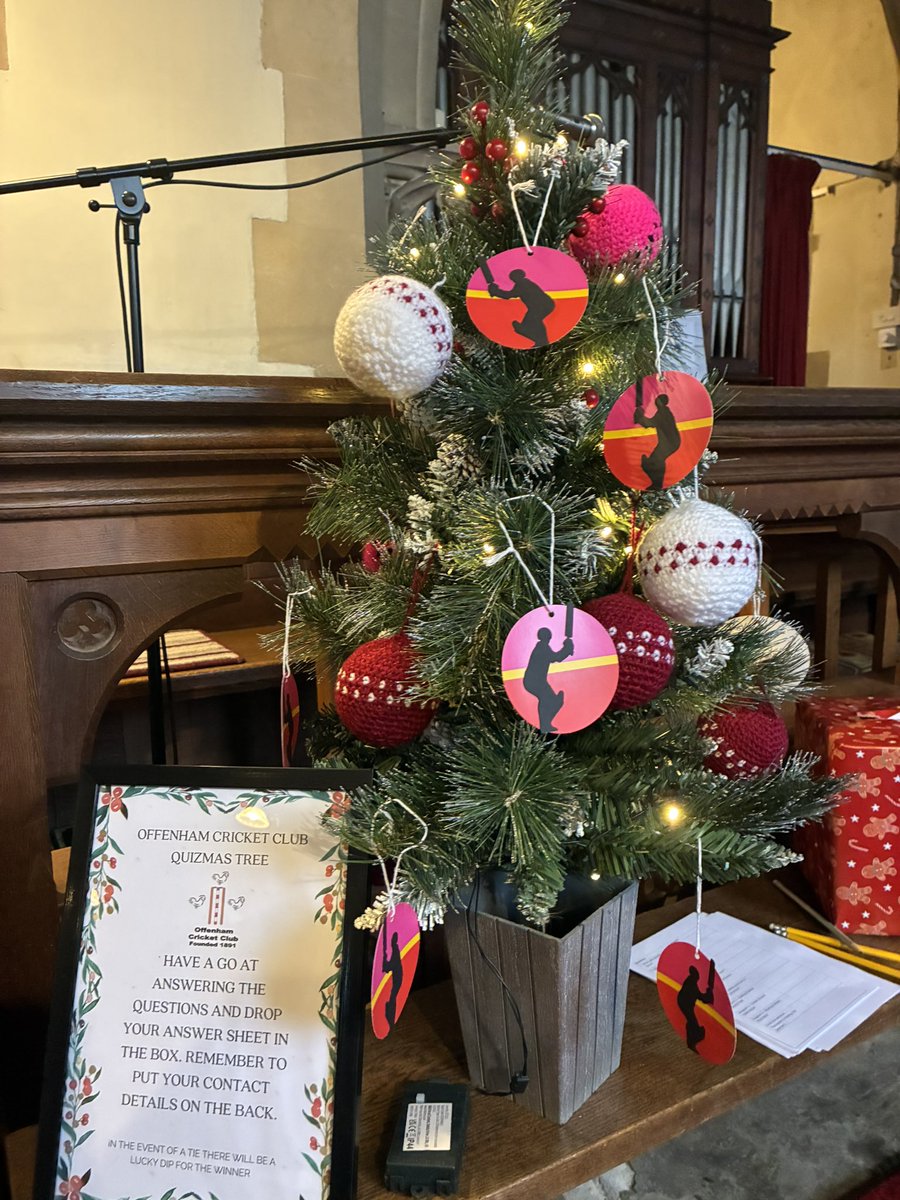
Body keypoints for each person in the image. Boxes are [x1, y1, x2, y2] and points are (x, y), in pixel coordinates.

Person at [522, 626, 574, 733]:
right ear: (548, 637)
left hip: (537, 681)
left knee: (554, 701)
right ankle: (544, 725)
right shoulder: (542, 648)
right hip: (534, 681)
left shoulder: (542, 647)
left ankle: (545, 724)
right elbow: (556, 658)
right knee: (549, 700)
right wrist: (567, 649)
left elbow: (556, 657)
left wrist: (567, 650)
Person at [488, 268, 556, 348]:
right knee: (528, 325)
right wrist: (496, 291)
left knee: (532, 322)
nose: (513, 279)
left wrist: (496, 291)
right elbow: (509, 295)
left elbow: (508, 295)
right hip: (538, 306)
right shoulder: (523, 283)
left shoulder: (523, 284)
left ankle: (542, 341)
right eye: (512, 277)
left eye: (514, 277)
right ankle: (541, 340)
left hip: (542, 305)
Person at [633, 392, 681, 490]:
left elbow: (650, 423)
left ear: (660, 402)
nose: (655, 401)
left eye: (657, 399)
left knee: (655, 460)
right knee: (654, 461)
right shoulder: (663, 412)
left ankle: (658, 484)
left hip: (670, 442)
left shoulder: (663, 413)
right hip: (669, 442)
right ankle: (657, 483)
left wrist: (640, 417)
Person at [677, 961, 715, 1052]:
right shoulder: (691, 983)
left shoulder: (691, 982)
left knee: (692, 1021)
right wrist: (708, 994)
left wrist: (707, 994)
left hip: (685, 1004)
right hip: (685, 1004)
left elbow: (700, 996)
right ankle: (692, 1041)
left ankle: (692, 1040)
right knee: (692, 1021)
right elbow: (700, 997)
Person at [382, 929, 404, 1032]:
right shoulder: (395, 949)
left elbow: (392, 965)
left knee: (393, 997)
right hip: (396, 978)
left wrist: (385, 964)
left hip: (397, 978)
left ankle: (391, 1019)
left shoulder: (395, 949)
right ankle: (390, 1019)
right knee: (392, 997)